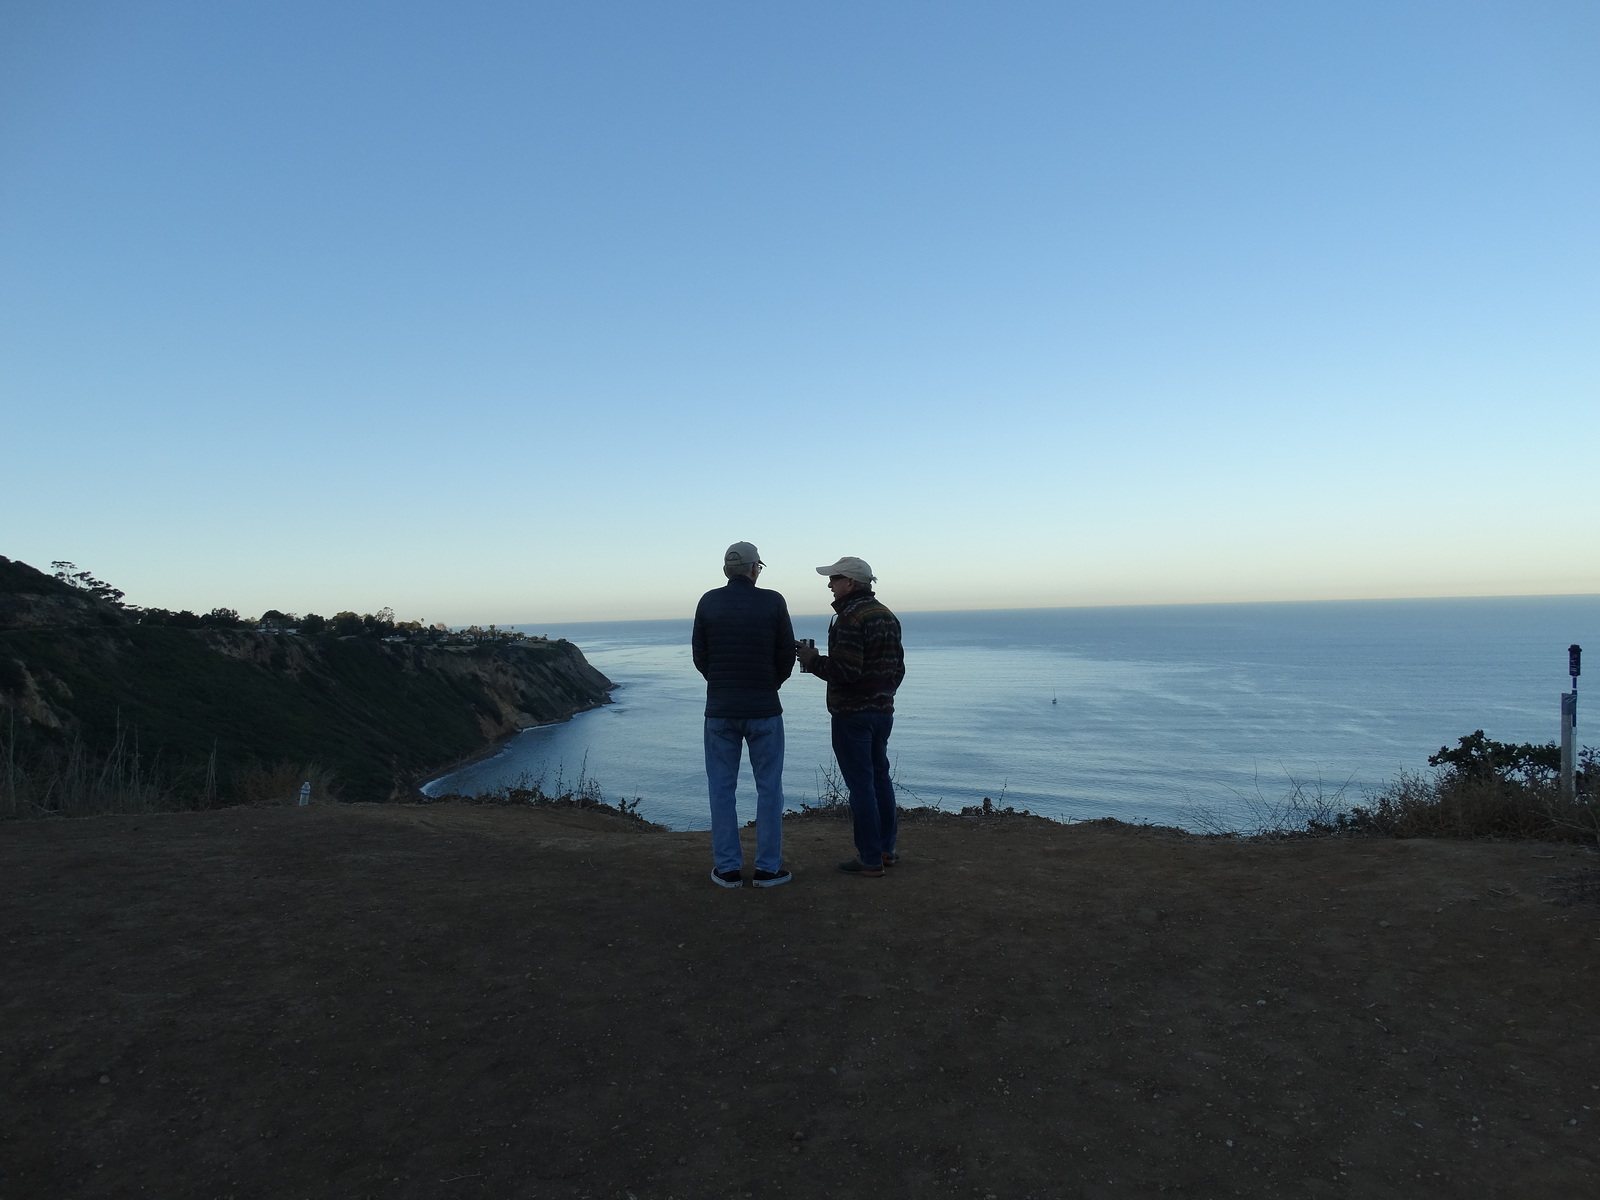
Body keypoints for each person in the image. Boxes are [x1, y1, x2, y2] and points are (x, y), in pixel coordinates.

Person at [691, 541, 797, 888]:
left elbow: (700, 656)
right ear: (754, 569)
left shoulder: (708, 602)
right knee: (770, 789)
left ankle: (727, 869)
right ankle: (768, 868)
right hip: (764, 710)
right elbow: (786, 655)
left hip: (720, 711)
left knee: (721, 789)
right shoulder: (773, 601)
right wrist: (769, 684)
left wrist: (722, 683)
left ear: (726, 570)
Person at [794, 556, 905, 878]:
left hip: (851, 714)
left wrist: (813, 660)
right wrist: (882, 694)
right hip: (882, 712)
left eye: (834, 579)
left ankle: (869, 858)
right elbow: (898, 669)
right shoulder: (886, 615)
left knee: (861, 786)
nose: (830, 584)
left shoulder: (849, 618)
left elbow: (846, 671)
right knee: (880, 779)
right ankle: (886, 849)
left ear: (850, 582)